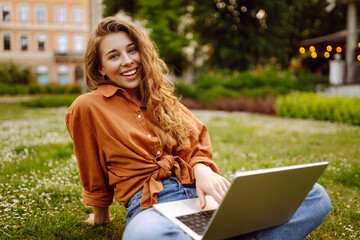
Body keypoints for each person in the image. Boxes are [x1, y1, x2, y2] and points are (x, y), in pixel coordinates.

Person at [65, 16, 331, 240]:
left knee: (315, 196)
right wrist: (101, 213)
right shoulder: (88, 107)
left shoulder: (162, 98)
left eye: (132, 49)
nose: (127, 61)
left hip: (203, 198)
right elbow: (91, 165)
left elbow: (195, 143)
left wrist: (202, 168)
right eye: (114, 55)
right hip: (152, 207)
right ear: (100, 67)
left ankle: (219, 230)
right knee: (146, 236)